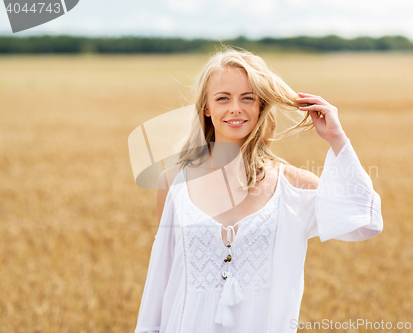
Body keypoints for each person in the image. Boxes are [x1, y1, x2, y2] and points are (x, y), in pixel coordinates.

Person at [134, 46, 383, 333]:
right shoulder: (173, 182)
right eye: (223, 98)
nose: (235, 108)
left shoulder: (293, 186)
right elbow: (161, 278)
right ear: (206, 107)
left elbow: (365, 220)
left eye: (247, 98)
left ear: (262, 105)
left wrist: (337, 138)